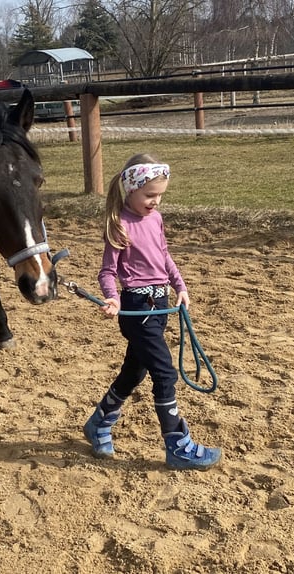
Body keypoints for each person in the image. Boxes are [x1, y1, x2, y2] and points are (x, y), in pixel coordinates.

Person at [83, 153, 222, 470]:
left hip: (161, 306)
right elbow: (107, 271)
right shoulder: (119, 225)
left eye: (159, 196)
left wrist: (180, 286)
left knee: (135, 370)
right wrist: (113, 298)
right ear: (130, 190)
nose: (155, 202)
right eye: (149, 195)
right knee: (164, 373)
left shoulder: (155, 220)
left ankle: (99, 422)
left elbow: (164, 257)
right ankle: (177, 445)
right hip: (137, 308)